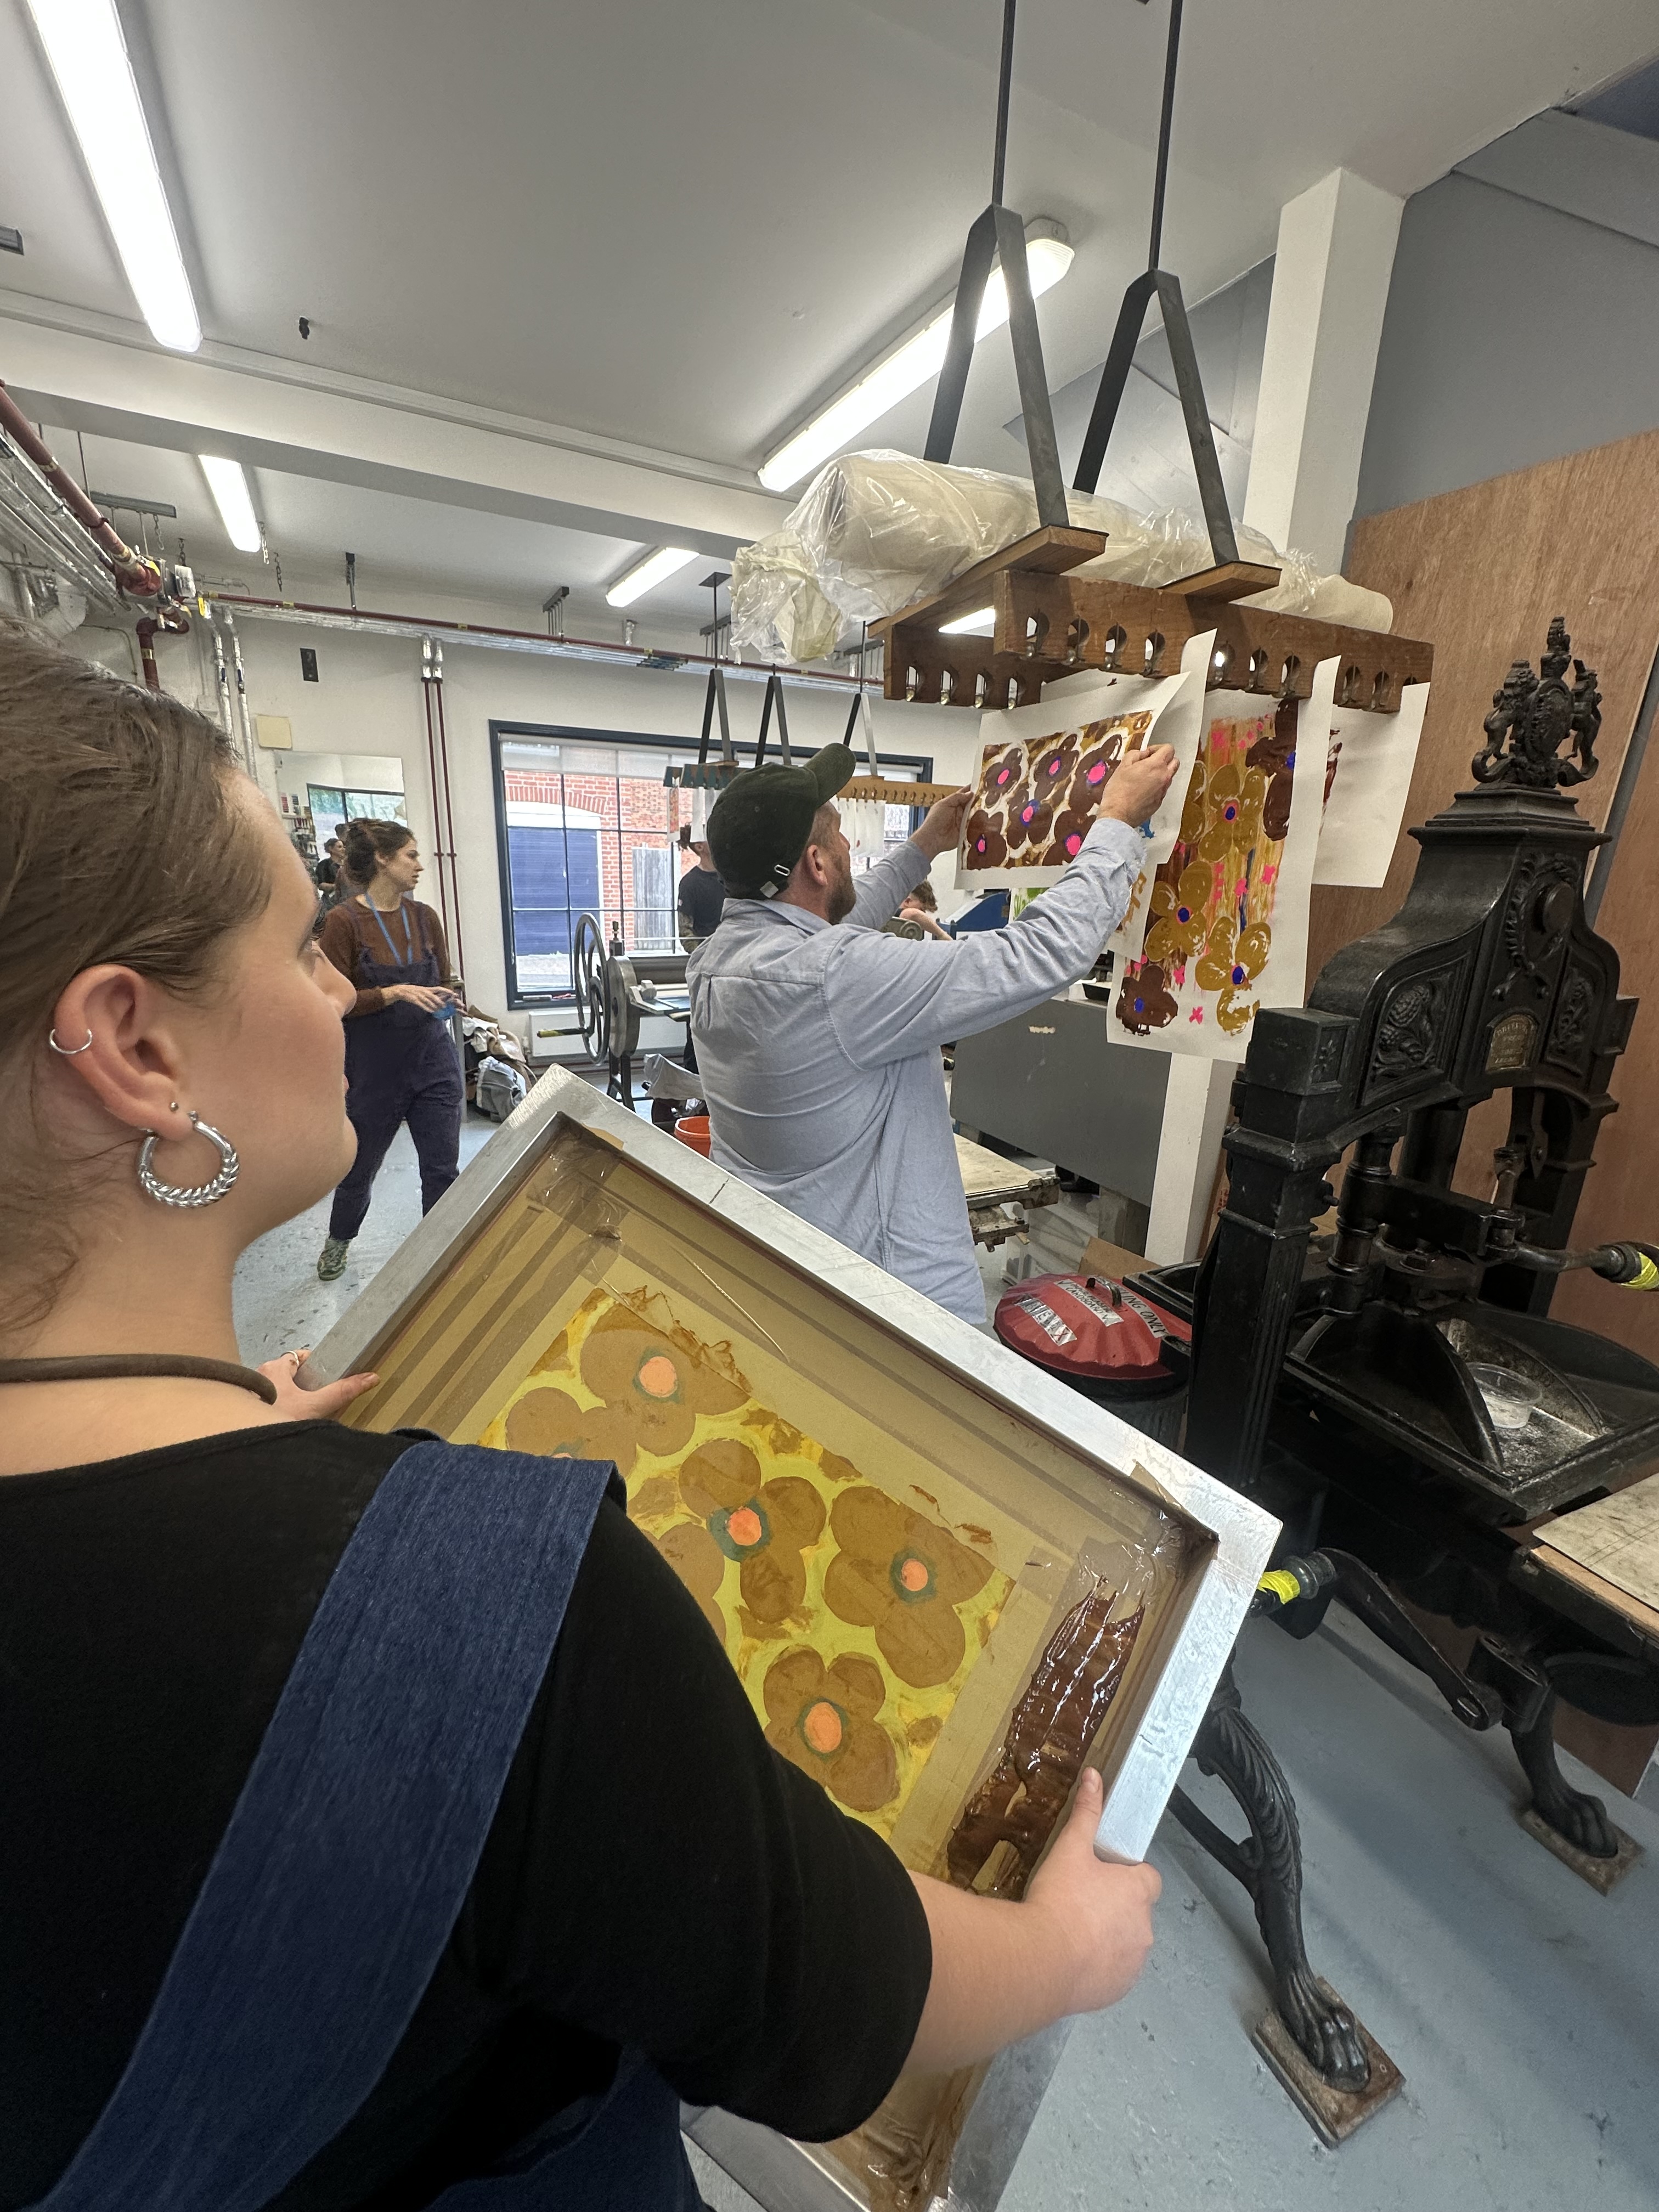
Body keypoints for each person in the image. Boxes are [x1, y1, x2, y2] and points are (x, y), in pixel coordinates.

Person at [0, 622, 1159, 2206]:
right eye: (301, 947)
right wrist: (1068, 1948)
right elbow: (837, 2007)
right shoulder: (489, 1613)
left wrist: (218, 1425)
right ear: (135, 1045)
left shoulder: (750, 960)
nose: (343, 990)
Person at [688, 738, 1177, 1324]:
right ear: (817, 864)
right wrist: (1117, 820)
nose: (849, 845)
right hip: (893, 1308)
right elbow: (1041, 952)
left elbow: (826, 921)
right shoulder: (836, 979)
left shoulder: (716, 960)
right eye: (838, 834)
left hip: (794, 1271)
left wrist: (922, 848)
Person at [315, 818, 463, 1281]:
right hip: (375, 1071)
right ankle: (339, 1240)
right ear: (383, 859)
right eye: (411, 855)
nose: (419, 865)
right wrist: (393, 992)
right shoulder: (343, 922)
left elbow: (444, 979)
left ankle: (439, 1257)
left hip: (433, 1062)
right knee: (359, 1169)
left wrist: (447, 998)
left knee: (442, 1169)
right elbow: (330, 1002)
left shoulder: (425, 918)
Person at [676, 837, 724, 949]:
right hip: (707, 952)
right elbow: (685, 931)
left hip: (735, 949)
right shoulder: (690, 883)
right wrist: (700, 955)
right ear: (699, 847)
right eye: (710, 837)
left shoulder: (730, 878)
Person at [899, 876, 953, 941]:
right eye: (921, 909)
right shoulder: (898, 915)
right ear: (907, 902)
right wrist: (942, 935)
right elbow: (910, 914)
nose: (923, 914)